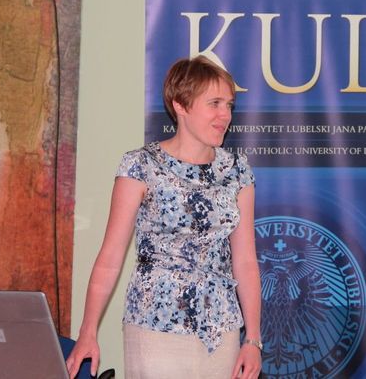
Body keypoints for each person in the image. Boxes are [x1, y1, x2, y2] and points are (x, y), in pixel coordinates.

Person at [66, 56, 262, 379]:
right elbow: (110, 258)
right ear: (180, 105)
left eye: (229, 105)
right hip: (154, 328)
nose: (225, 115)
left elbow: (245, 261)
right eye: (214, 104)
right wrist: (88, 331)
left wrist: (252, 339)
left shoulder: (238, 170)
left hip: (222, 331)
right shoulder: (140, 165)